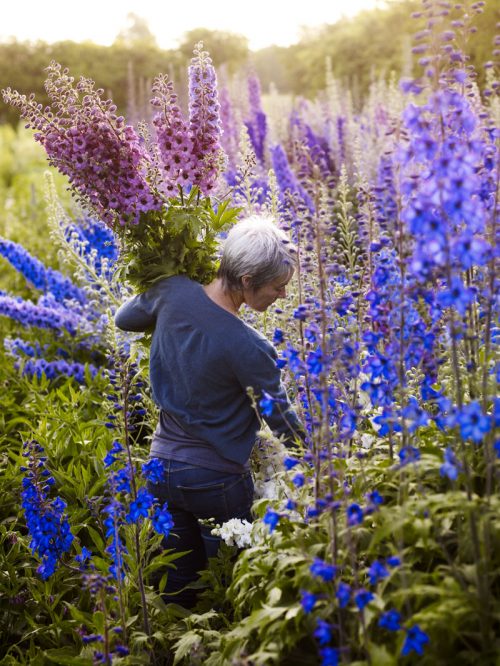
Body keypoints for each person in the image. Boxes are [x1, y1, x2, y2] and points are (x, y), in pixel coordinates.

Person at [114, 214, 304, 607]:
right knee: (230, 590)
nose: (283, 296)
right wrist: (319, 456)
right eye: (278, 287)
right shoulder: (248, 346)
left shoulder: (171, 293)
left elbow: (125, 318)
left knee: (179, 588)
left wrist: (177, 290)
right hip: (215, 482)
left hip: (160, 468)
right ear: (248, 280)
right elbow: (279, 416)